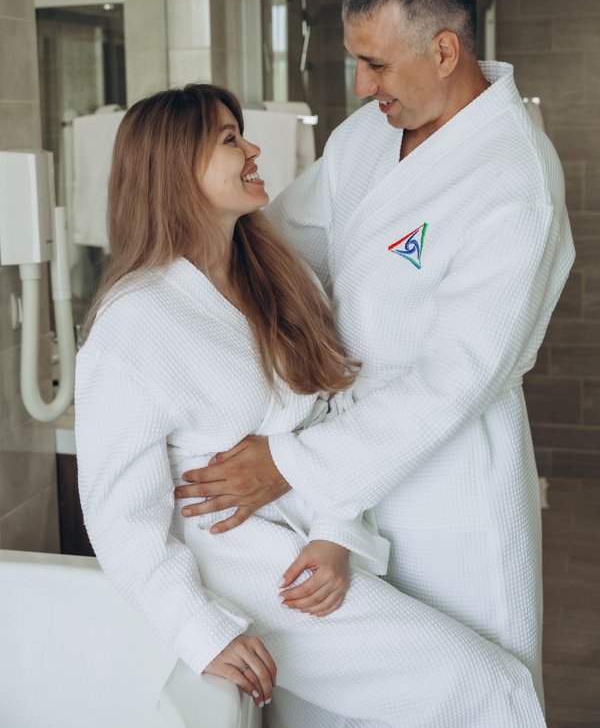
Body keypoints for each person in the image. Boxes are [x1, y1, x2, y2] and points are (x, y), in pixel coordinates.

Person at [75, 82, 547, 728]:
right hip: (244, 575)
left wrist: (335, 533)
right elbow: (119, 515)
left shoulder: (274, 277)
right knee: (489, 687)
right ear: (176, 167)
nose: (254, 150)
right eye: (230, 140)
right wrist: (199, 630)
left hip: (311, 557)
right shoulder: (135, 322)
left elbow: (328, 410)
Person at [174, 0, 575, 707]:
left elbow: (456, 380)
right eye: (356, 62)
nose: (362, 86)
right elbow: (283, 248)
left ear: (445, 50)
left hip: (447, 474)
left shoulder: (513, 180)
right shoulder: (365, 137)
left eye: (376, 64)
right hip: (339, 464)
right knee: (346, 691)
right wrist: (177, 294)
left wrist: (290, 464)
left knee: (458, 689)